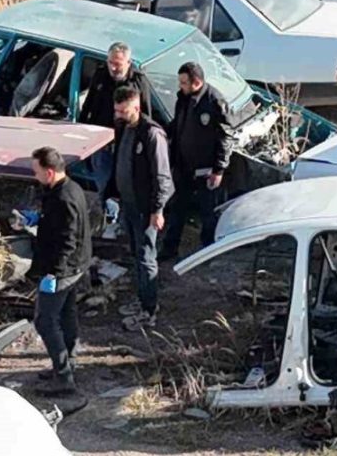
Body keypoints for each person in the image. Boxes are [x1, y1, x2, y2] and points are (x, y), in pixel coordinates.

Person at [106, 85, 173, 330]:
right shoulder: (125, 128)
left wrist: (157, 210)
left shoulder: (152, 134)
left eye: (123, 111)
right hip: (130, 204)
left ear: (137, 107)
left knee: (146, 257)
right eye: (117, 111)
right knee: (136, 253)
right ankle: (143, 297)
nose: (119, 115)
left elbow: (162, 177)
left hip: (146, 209)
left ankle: (149, 310)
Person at [25, 147, 91, 395]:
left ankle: (64, 377)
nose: (35, 176)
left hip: (64, 269)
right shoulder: (70, 188)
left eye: (37, 172)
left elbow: (67, 240)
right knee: (66, 313)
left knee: (45, 320)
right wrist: (39, 220)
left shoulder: (63, 199)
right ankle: (68, 363)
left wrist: (53, 273)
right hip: (76, 265)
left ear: (50, 172)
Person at [161, 62, 233, 260]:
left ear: (197, 82)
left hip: (206, 169)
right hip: (183, 166)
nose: (180, 86)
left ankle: (209, 252)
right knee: (177, 209)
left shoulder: (214, 101)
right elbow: (178, 124)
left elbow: (226, 137)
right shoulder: (183, 99)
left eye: (184, 82)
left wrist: (219, 169)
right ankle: (169, 248)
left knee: (207, 212)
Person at [79, 42, 153, 195]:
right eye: (110, 63)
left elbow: (146, 115)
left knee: (124, 188)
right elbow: (88, 106)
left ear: (128, 63)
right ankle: (108, 213)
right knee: (103, 185)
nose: (113, 68)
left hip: (126, 144)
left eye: (117, 64)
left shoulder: (138, 82)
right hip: (101, 144)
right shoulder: (101, 75)